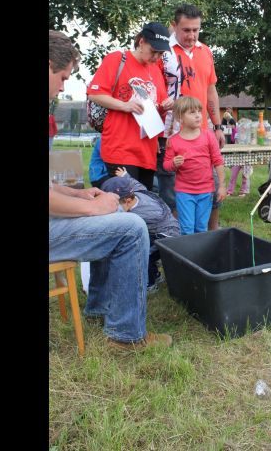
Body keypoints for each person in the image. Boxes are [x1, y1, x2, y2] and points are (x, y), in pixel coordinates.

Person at [47, 30, 172, 349]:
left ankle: (100, 307)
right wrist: (91, 208)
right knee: (132, 227)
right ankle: (126, 335)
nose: (63, 87)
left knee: (112, 211)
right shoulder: (118, 61)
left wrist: (80, 195)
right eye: (63, 77)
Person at [157, 4, 226, 228]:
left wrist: (217, 126)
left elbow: (211, 90)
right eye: (186, 30)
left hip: (202, 133)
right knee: (172, 194)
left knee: (212, 189)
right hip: (171, 134)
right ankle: (178, 240)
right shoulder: (163, 52)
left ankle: (212, 237)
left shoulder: (205, 51)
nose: (192, 35)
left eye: (196, 30)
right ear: (174, 25)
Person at [88, 22, 174, 191]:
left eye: (161, 53)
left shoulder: (156, 71)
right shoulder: (117, 59)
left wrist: (166, 106)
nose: (156, 57)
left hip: (147, 151)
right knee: (126, 200)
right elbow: (94, 94)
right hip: (120, 147)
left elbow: (157, 106)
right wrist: (124, 105)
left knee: (144, 201)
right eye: (153, 51)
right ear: (141, 42)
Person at [101, 168, 181, 291]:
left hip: (167, 238)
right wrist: (125, 175)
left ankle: (150, 284)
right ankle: (156, 275)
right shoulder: (137, 192)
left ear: (127, 201)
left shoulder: (141, 214)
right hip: (156, 231)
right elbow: (134, 183)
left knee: (141, 254)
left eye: (114, 204)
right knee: (142, 248)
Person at [163, 96, 227, 235]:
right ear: (180, 118)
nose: (198, 115)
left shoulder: (208, 136)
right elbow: (166, 165)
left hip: (206, 191)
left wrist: (222, 186)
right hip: (184, 193)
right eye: (192, 112)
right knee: (187, 229)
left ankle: (199, 249)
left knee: (201, 228)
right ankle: (187, 249)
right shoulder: (173, 141)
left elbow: (218, 161)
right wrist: (173, 163)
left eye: (199, 111)